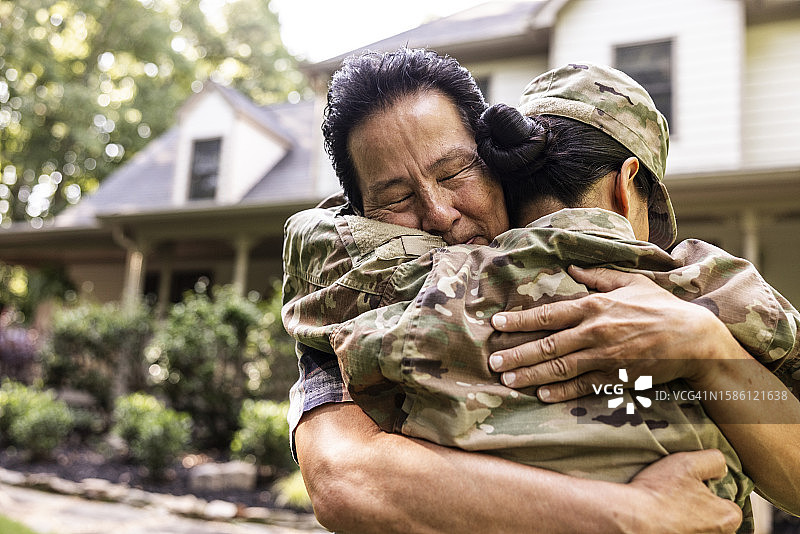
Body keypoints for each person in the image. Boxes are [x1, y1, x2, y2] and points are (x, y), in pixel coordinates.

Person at [284, 60, 800, 532]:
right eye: (396, 198)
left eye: (454, 172)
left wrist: (710, 351)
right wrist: (629, 515)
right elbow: (346, 478)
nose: (440, 214)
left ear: (498, 165)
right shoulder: (368, 293)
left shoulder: (685, 302)